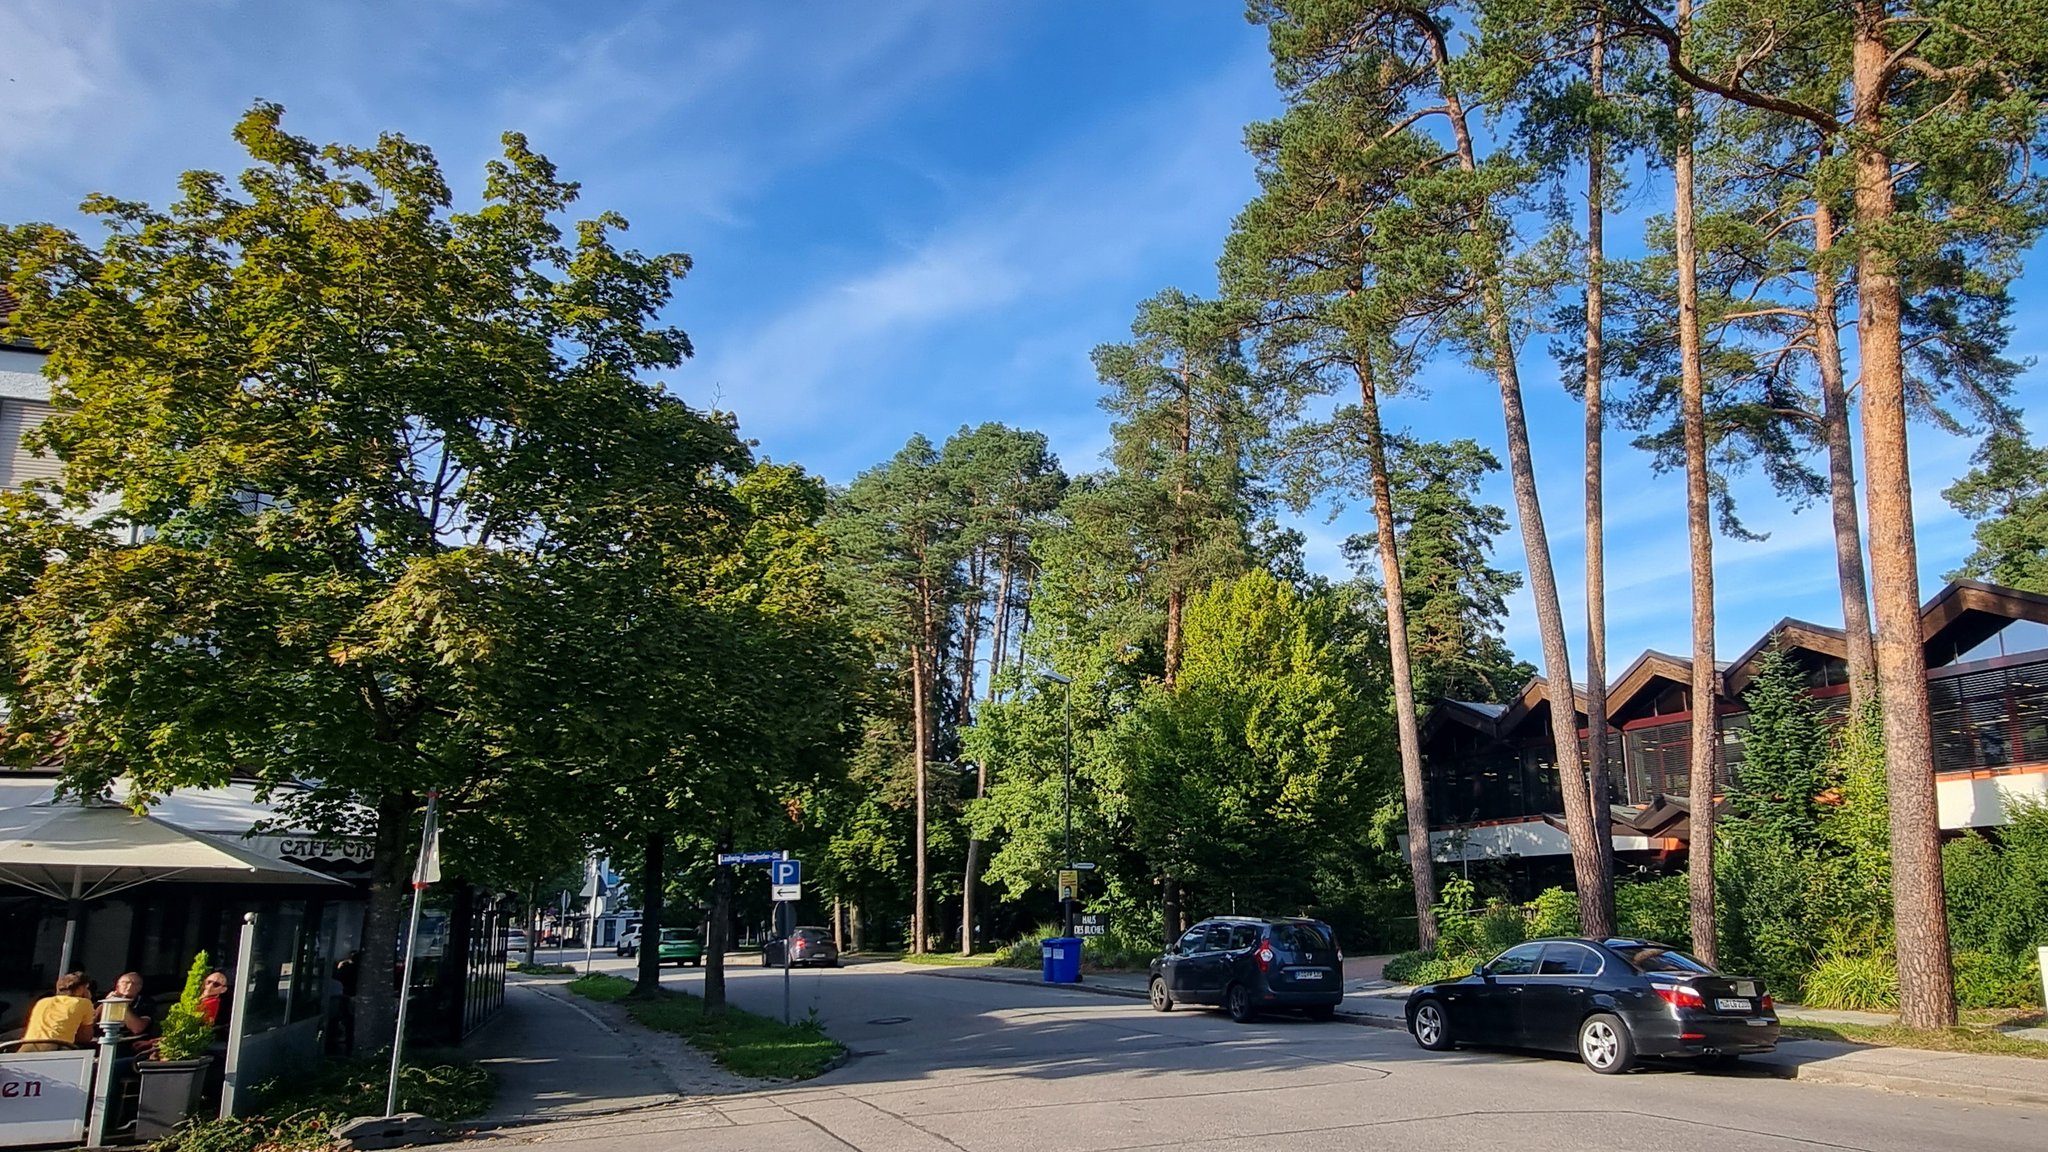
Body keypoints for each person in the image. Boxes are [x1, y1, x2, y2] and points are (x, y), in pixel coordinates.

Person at [19, 972, 95, 1051]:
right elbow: (85, 1037)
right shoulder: (83, 1003)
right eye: (86, 988)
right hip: (56, 1049)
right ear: (80, 989)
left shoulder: (42, 1002)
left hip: (28, 1046)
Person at [110, 972, 157, 1056]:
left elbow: (137, 1028)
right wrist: (106, 1004)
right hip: (104, 1043)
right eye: (126, 983)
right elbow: (91, 1023)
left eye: (135, 984)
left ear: (140, 987)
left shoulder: (146, 1003)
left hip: (129, 1046)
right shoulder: (107, 1000)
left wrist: (121, 1004)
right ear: (117, 986)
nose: (129, 986)